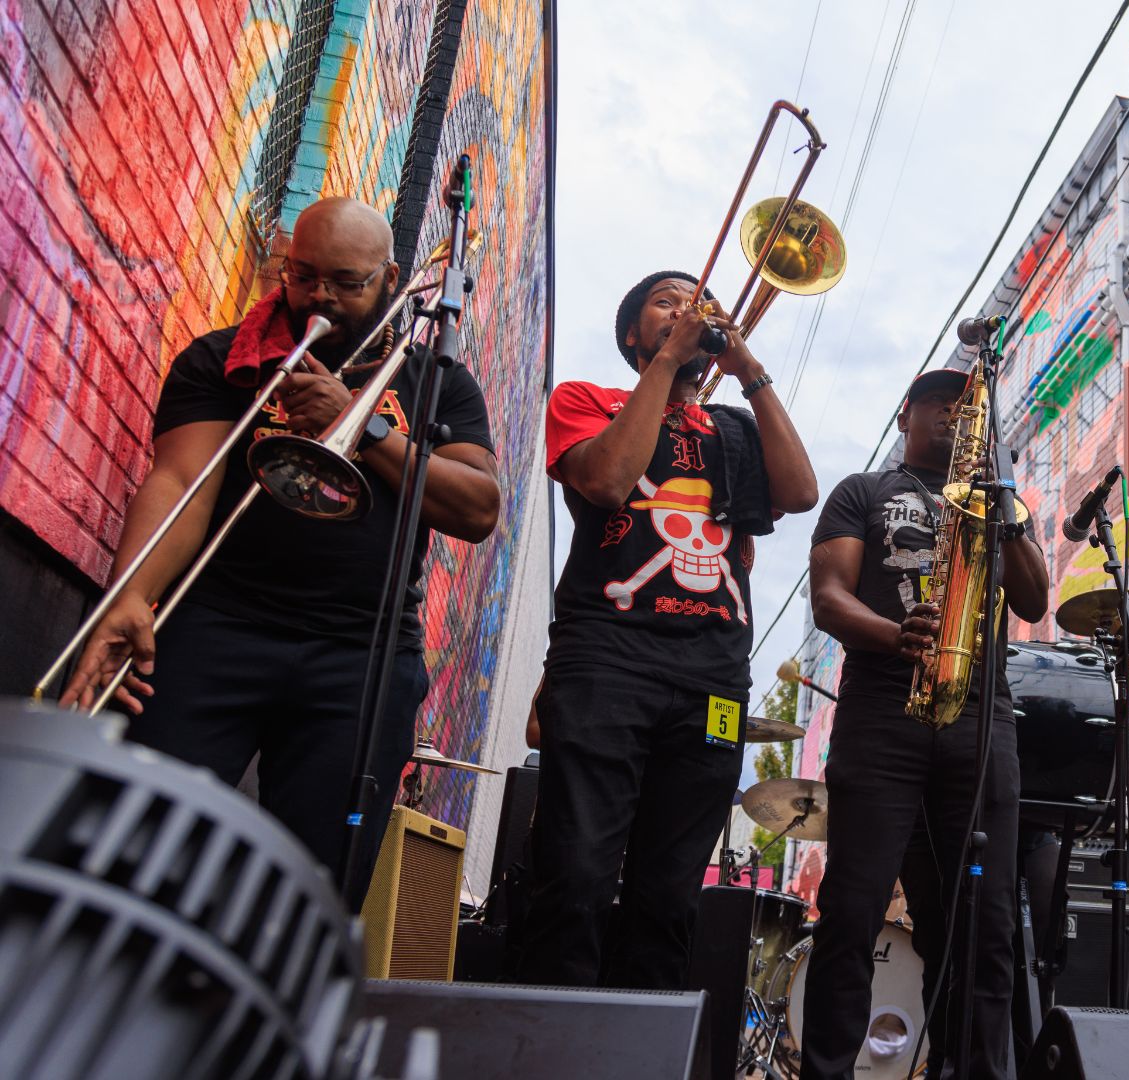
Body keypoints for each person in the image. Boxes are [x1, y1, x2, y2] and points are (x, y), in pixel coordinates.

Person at [59, 197, 501, 908]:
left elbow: (478, 508)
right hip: (218, 624)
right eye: (303, 275)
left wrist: (369, 432)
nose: (319, 295)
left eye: (345, 281)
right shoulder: (222, 358)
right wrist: (130, 596)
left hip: (363, 651)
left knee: (313, 882)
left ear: (389, 278)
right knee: (134, 843)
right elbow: (179, 482)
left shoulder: (436, 381)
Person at [515, 270, 816, 990]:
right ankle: (547, 1039)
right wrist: (668, 363)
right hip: (609, 658)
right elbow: (609, 482)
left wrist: (749, 372)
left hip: (712, 672)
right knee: (578, 868)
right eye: (665, 300)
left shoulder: (733, 429)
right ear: (632, 333)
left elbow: (801, 492)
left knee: (670, 891)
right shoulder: (590, 401)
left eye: (696, 300)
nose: (687, 307)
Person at [801, 367, 1051, 1080]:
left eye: (965, 406)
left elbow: (1033, 601)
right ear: (906, 414)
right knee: (852, 910)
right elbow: (828, 599)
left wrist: (1003, 501)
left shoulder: (998, 504)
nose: (953, 412)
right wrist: (892, 634)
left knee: (984, 923)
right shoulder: (865, 491)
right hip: (883, 706)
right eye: (941, 402)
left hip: (981, 715)